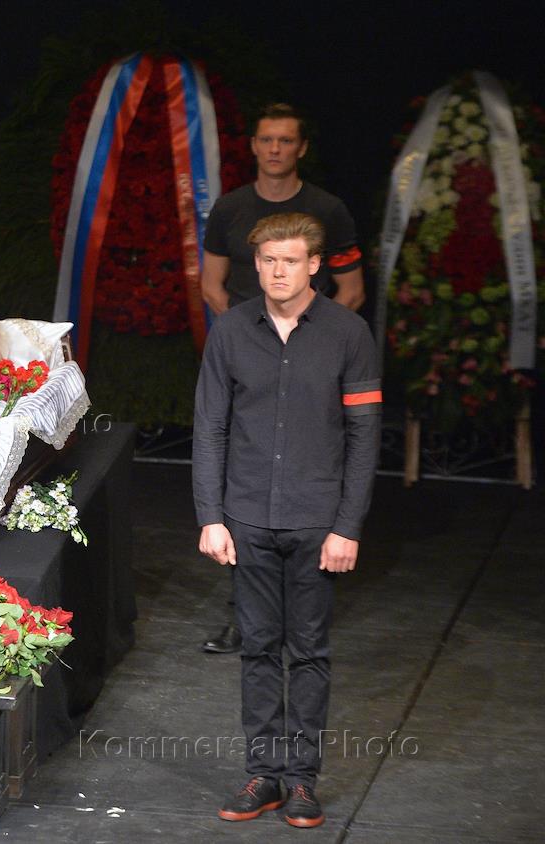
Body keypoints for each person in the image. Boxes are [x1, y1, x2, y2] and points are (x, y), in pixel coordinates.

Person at [193, 212, 380, 828]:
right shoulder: (230, 331)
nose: (278, 271)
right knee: (256, 650)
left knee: (308, 652)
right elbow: (210, 427)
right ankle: (263, 774)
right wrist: (210, 517)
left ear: (315, 265)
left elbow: (364, 437)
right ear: (256, 265)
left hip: (316, 521)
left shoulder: (348, 334)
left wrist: (348, 526)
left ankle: (301, 780)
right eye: (269, 260)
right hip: (246, 517)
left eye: (291, 260)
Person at [198, 103, 365, 655]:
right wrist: (248, 339)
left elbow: (352, 288)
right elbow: (212, 283)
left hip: (313, 356)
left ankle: (302, 622)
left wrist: (315, 338)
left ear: (301, 147)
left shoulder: (328, 210)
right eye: (266, 139)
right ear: (252, 145)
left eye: (285, 140)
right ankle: (246, 618)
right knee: (245, 472)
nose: (275, 149)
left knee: (304, 470)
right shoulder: (231, 208)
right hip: (248, 350)